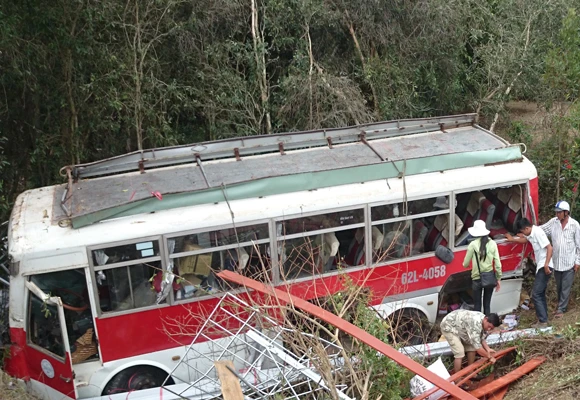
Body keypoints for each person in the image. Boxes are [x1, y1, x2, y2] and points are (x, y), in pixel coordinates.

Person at [506, 218, 553, 327]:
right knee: (540, 293)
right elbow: (526, 240)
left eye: (523, 231)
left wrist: (546, 264)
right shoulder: (531, 233)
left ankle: (543, 321)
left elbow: (550, 248)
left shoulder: (538, 233)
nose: (523, 234)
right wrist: (513, 239)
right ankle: (544, 319)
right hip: (542, 265)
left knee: (536, 294)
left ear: (527, 228)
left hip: (545, 265)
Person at [540, 201, 580, 318]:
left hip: (569, 262)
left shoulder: (574, 225)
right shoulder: (553, 222)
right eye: (556, 212)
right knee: (559, 286)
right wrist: (529, 231)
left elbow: (579, 245)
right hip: (557, 262)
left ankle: (561, 309)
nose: (557, 214)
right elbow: (541, 230)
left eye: (559, 212)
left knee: (566, 287)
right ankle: (560, 306)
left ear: (566, 212)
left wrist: (577, 262)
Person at [440, 309, 500, 374]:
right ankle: (457, 378)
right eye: (489, 327)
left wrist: (488, 349)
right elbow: (478, 348)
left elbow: (481, 338)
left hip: (461, 326)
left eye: (491, 328)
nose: (489, 329)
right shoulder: (475, 323)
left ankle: (470, 371)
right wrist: (489, 357)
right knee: (459, 352)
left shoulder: (483, 321)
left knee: (472, 347)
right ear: (486, 319)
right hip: (448, 326)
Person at [463, 220, 502, 315]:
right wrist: (498, 278)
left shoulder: (472, 245)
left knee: (477, 305)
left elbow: (465, 263)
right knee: (487, 304)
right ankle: (487, 324)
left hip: (476, 278)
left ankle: (478, 326)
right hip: (489, 277)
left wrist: (468, 264)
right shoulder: (493, 243)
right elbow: (497, 264)